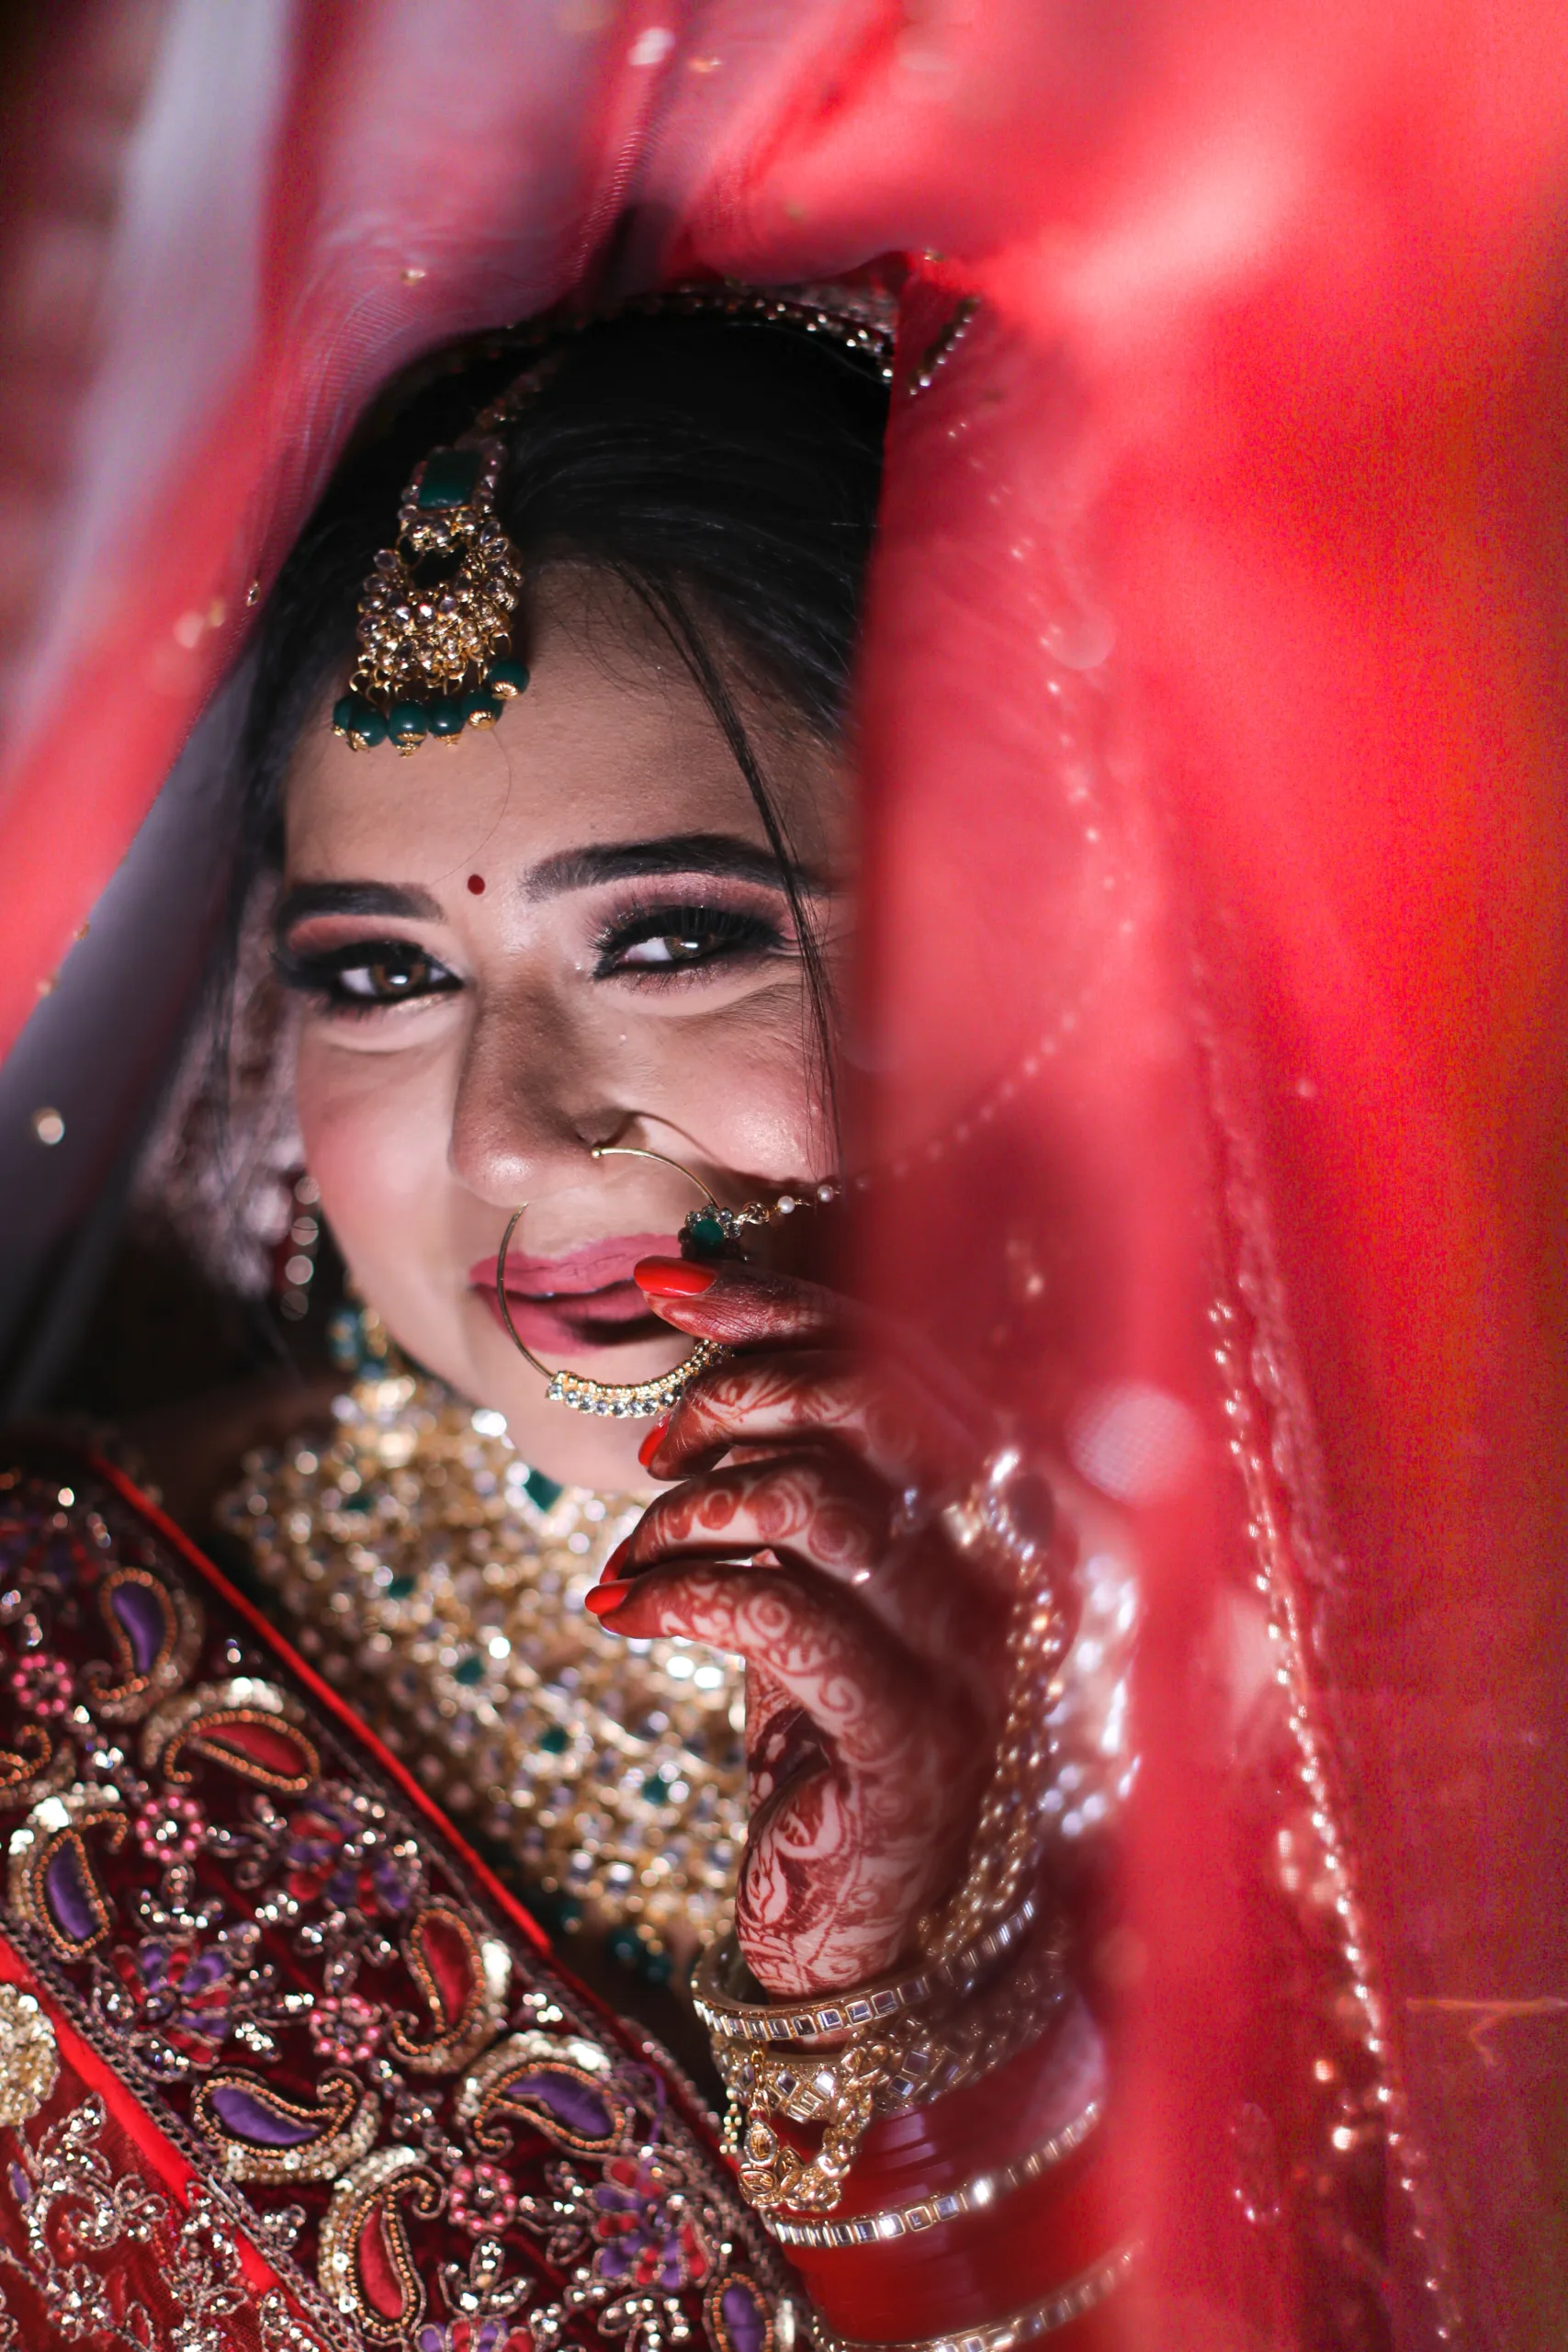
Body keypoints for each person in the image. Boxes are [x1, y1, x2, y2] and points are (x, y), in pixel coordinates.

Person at [0, 297, 1142, 2352]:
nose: (506, 1135)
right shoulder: (59, 1692)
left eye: (675, 940)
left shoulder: (1362, 1712)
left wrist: (933, 2024)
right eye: (378, 977)